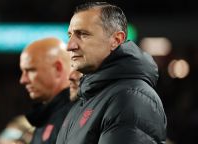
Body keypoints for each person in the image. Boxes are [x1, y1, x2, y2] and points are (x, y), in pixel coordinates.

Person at [56, 2, 167, 144]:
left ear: (116, 40)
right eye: (70, 35)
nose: (70, 45)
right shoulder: (85, 100)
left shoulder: (131, 98)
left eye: (83, 34)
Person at [19, 37, 72, 144]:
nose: (23, 80)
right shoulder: (48, 115)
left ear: (57, 68)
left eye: (30, 70)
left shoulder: (74, 115)